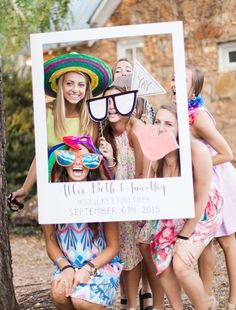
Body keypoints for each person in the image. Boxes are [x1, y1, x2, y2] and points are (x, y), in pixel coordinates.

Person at [143, 104, 222, 309]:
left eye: (169, 123)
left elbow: (201, 199)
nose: (161, 128)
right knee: (160, 255)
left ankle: (203, 306)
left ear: (180, 128)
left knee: (181, 264)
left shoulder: (197, 151)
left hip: (203, 210)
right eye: (157, 122)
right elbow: (150, 191)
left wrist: (183, 238)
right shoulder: (156, 155)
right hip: (174, 209)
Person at [8, 52, 112, 208]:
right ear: (61, 85)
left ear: (87, 88)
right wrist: (25, 189)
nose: (75, 89)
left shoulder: (91, 116)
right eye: (69, 83)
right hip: (52, 185)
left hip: (83, 189)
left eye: (81, 84)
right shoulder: (46, 112)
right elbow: (41, 155)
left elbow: (92, 158)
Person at [172, 65, 236, 309]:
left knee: (228, 242)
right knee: (205, 241)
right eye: (173, 79)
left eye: (183, 80)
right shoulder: (176, 114)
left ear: (193, 88)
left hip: (219, 179)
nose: (176, 84)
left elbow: (227, 153)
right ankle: (207, 297)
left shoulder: (197, 116)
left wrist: (198, 166)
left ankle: (233, 301)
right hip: (200, 186)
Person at [44, 135, 123, 309]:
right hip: (69, 264)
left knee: (82, 301)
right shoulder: (51, 196)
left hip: (100, 265)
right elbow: (50, 242)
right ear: (64, 164)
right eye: (71, 157)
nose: (78, 162)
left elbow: (113, 247)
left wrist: (88, 269)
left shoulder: (104, 195)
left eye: (85, 158)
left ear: (92, 165)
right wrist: (66, 268)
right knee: (59, 293)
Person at [112, 58, 156, 309]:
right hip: (120, 179)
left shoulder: (142, 107)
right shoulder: (108, 109)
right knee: (123, 241)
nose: (123, 73)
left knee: (142, 240)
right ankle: (126, 293)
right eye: (118, 70)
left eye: (128, 69)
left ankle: (146, 290)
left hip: (138, 179)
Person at [96, 85, 144, 309]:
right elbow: (113, 176)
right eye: (107, 101)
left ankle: (134, 304)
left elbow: (143, 170)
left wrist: (140, 200)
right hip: (115, 202)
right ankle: (128, 302)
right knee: (123, 250)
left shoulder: (134, 129)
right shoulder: (104, 135)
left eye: (117, 100)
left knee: (134, 251)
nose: (112, 105)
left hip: (136, 199)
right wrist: (109, 158)